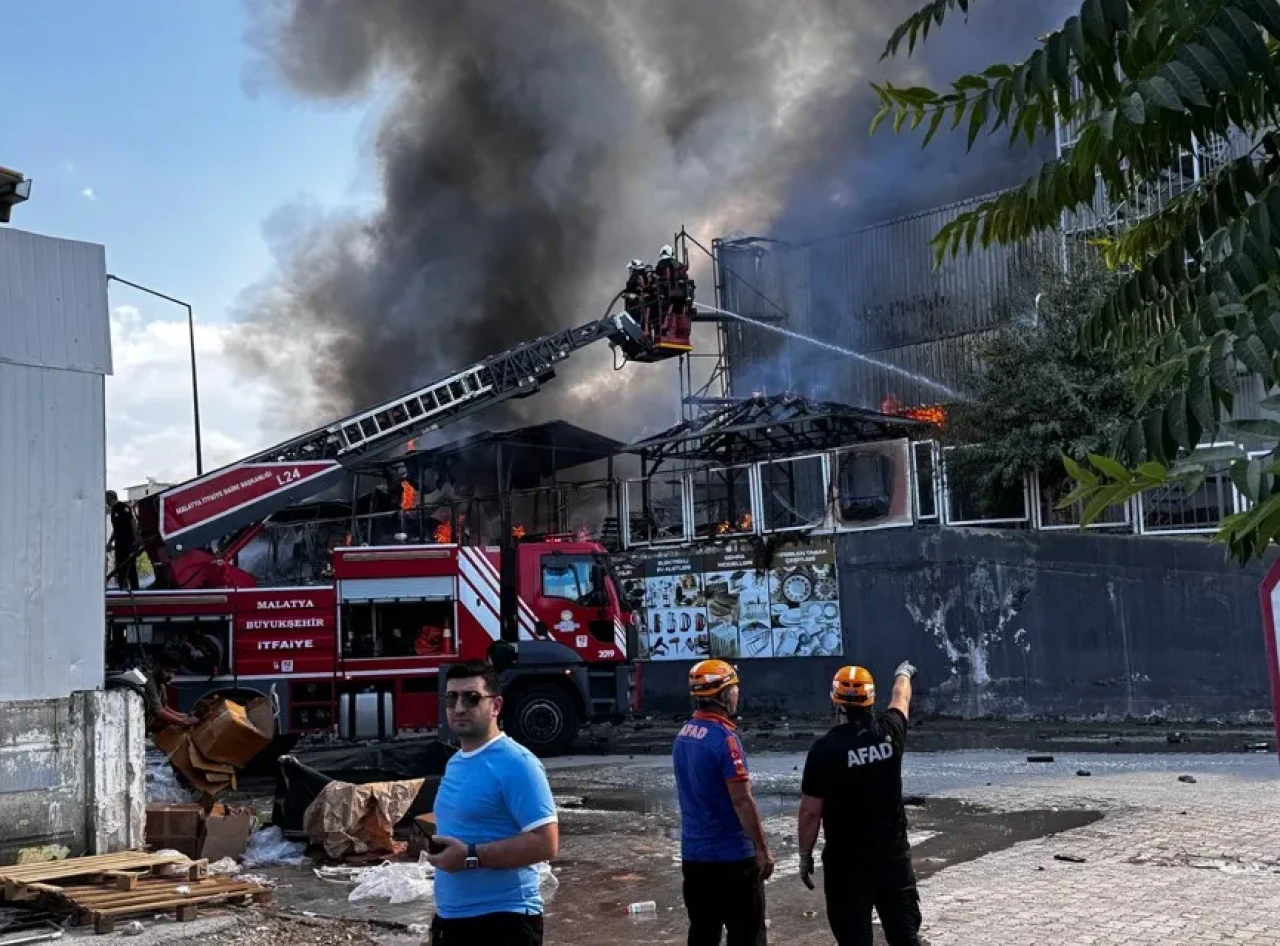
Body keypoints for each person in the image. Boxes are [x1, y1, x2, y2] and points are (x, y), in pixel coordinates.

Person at [428, 661, 559, 945]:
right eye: (451, 698)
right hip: (452, 919)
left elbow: (546, 843)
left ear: (496, 705)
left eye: (471, 698)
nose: (459, 708)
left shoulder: (518, 763)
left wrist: (471, 856)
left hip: (504, 921)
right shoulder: (456, 762)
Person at [796, 661, 920, 946]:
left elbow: (810, 813)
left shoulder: (824, 750)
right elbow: (901, 697)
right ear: (870, 700)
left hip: (846, 867)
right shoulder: (890, 732)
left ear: (836, 703)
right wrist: (903, 672)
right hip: (892, 860)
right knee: (905, 937)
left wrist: (805, 855)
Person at [672, 659, 773, 946]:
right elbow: (742, 800)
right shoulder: (725, 740)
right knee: (747, 937)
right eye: (734, 689)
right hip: (733, 861)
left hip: (695, 859)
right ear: (723, 695)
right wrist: (763, 848)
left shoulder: (683, 736)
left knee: (703, 935)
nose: (737, 694)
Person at [143, 654, 198, 732]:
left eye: (174, 672)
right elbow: (158, 711)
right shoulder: (148, 682)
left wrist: (184, 716)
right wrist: (183, 721)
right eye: (167, 671)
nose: (171, 676)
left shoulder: (161, 685)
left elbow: (164, 707)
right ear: (157, 666)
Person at [105, 490, 139, 590]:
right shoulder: (113, 510)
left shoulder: (123, 507)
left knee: (130, 568)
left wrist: (136, 538)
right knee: (120, 567)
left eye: (106, 499)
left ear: (110, 498)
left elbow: (132, 522)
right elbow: (116, 529)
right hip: (119, 543)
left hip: (128, 542)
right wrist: (110, 542)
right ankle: (122, 589)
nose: (105, 502)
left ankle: (135, 589)